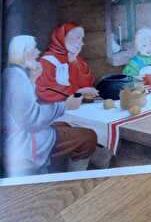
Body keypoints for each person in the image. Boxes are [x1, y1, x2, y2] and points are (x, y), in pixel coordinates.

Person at [3, 35, 97, 177]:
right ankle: (75, 178)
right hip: (23, 141)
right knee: (88, 137)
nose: (37, 52)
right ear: (24, 52)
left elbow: (28, 106)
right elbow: (32, 120)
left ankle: (65, 168)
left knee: (66, 125)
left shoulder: (15, 73)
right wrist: (64, 105)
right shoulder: (18, 77)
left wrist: (33, 80)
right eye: (34, 48)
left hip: (22, 132)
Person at [35, 22, 98, 102]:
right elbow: (45, 90)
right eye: (77, 38)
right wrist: (77, 91)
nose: (82, 43)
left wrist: (73, 63)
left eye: (81, 39)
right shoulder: (47, 61)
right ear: (62, 39)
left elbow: (86, 83)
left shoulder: (77, 59)